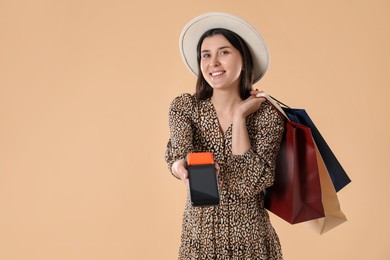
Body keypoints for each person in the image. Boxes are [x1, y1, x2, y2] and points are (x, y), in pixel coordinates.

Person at [165, 12, 284, 259]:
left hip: (253, 246)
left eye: (224, 52)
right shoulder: (185, 108)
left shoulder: (268, 116)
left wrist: (240, 116)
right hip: (199, 244)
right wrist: (180, 166)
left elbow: (250, 182)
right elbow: (179, 154)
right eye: (206, 55)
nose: (213, 62)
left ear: (244, 58)